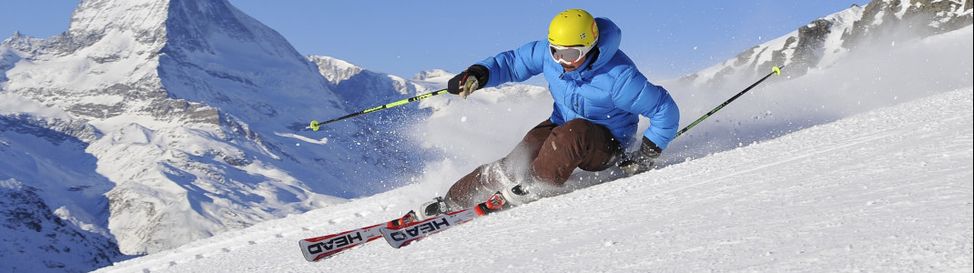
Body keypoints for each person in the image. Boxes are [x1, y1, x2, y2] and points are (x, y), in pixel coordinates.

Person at [419, 9, 680, 217]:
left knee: (572, 134)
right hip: (562, 126)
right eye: (556, 52)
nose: (563, 61)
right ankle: (453, 201)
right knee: (520, 158)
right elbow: (512, 62)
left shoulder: (619, 77)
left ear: (590, 46)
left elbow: (664, 110)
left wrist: (646, 154)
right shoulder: (549, 55)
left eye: (571, 54)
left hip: (606, 143)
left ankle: (533, 186)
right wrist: (479, 73)